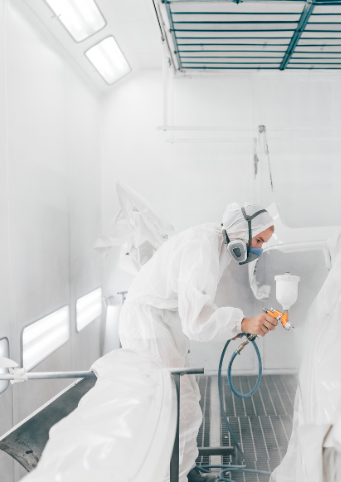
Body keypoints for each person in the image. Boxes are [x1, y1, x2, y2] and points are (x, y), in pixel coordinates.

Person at [119, 203, 278, 482]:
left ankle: (184, 472)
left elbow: (196, 305)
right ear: (243, 233)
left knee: (185, 398)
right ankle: (171, 476)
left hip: (161, 322)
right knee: (174, 405)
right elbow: (196, 320)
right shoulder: (204, 247)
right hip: (148, 324)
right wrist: (241, 323)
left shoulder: (214, 243)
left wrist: (239, 325)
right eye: (260, 240)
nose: (260, 249)